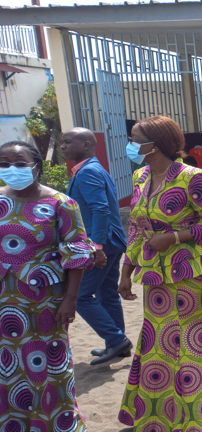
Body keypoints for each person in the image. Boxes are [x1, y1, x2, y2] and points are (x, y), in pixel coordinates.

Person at [118, 116, 202, 432]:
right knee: (158, 345)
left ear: (155, 144)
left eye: (135, 138)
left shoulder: (192, 178)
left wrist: (174, 237)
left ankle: (199, 423)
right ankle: (160, 420)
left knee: (193, 343)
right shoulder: (140, 176)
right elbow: (136, 229)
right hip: (154, 276)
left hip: (191, 274)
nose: (130, 144)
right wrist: (126, 271)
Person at [0, 140, 95, 432]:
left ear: (36, 165)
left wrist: (71, 299)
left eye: (19, 163)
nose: (11, 169)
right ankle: (13, 431)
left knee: (46, 361)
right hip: (4, 300)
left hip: (44, 299)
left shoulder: (61, 203)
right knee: (8, 363)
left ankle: (53, 426)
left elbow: (77, 253)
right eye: (4, 163)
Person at [61, 128, 132, 365]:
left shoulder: (88, 172)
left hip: (102, 243)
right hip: (111, 242)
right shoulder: (93, 168)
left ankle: (116, 339)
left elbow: (100, 209)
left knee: (81, 296)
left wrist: (97, 247)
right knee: (107, 294)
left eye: (67, 142)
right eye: (61, 143)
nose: (62, 146)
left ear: (86, 144)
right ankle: (117, 343)